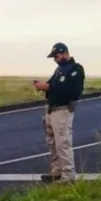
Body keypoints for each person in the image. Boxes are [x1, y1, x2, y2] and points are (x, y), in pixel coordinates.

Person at [33, 42, 85, 183]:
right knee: (53, 142)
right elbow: (52, 85)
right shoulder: (59, 70)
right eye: (54, 57)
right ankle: (57, 170)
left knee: (63, 142)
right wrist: (43, 86)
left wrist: (49, 87)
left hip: (63, 109)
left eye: (57, 56)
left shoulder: (75, 69)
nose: (55, 59)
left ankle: (68, 174)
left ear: (64, 53)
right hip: (51, 109)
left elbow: (73, 91)